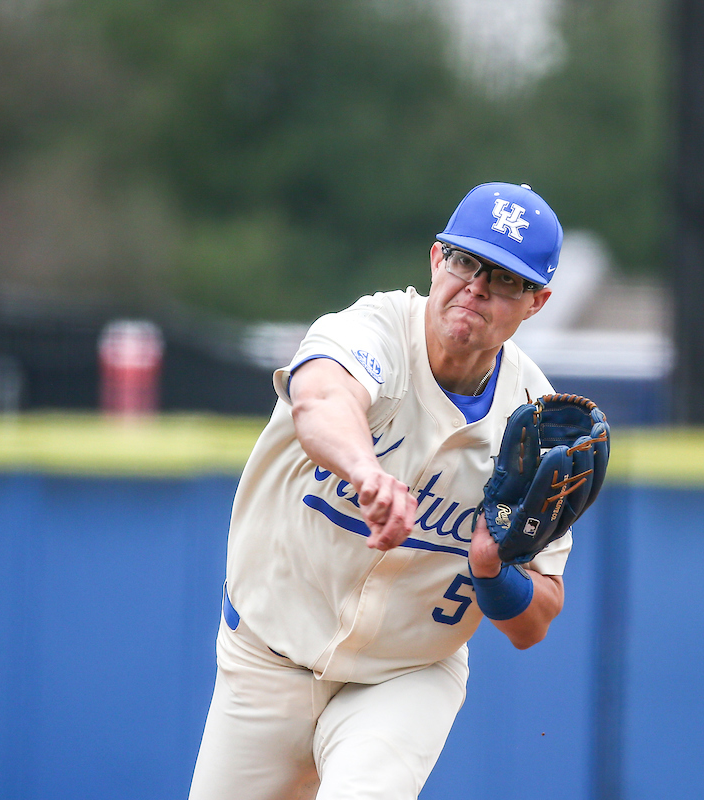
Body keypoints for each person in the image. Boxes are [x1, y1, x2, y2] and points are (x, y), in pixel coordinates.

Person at [188, 182, 570, 800]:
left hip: (405, 676)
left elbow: (535, 621)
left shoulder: (533, 426)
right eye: (465, 260)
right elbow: (321, 398)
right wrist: (365, 472)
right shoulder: (375, 329)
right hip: (266, 656)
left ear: (537, 301)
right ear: (435, 259)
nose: (475, 287)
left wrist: (495, 573)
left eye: (503, 278)